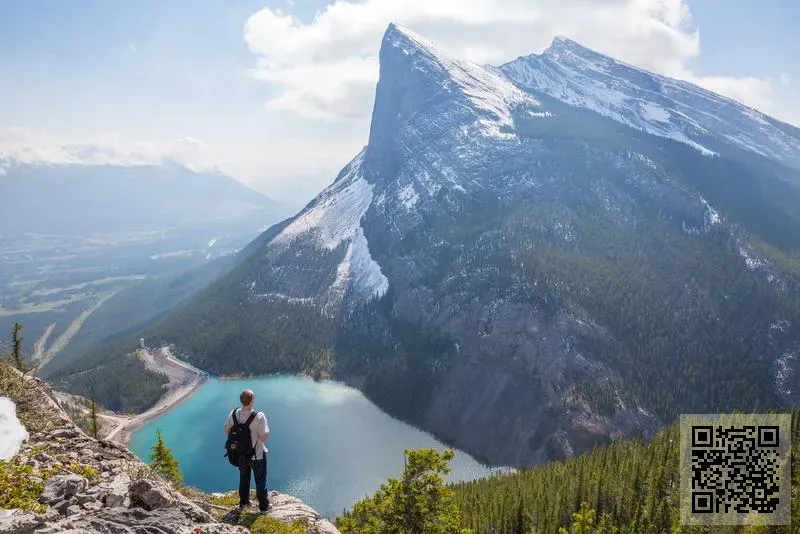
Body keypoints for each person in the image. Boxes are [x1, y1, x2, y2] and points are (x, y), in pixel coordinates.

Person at [223, 389, 270, 512]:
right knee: (260, 480)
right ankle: (264, 507)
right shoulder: (259, 416)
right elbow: (264, 436)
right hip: (257, 455)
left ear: (241, 400)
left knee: (244, 478)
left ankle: (244, 503)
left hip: (241, 455)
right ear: (252, 400)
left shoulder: (233, 413)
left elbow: (226, 430)